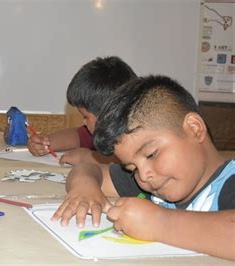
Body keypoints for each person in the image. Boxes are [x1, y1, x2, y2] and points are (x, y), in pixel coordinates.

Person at [53, 75, 235, 260]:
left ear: (194, 129)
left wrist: (159, 223)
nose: (144, 176)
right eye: (132, 168)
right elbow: (88, 169)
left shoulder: (230, 183)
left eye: (151, 154)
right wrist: (84, 188)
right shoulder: (154, 184)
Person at [27, 56, 137, 165]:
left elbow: (123, 166)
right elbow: (78, 136)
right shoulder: (105, 132)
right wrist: (47, 143)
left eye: (85, 117)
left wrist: (88, 158)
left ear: (107, 116)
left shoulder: (138, 139)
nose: (84, 122)